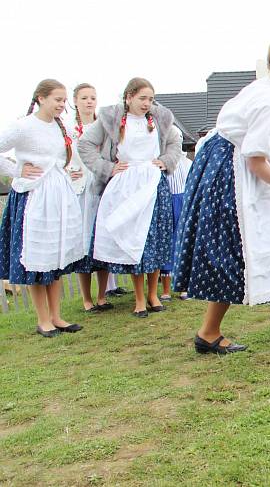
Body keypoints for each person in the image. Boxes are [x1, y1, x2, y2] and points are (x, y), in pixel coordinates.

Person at [172, 33, 270, 355]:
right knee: (247, 250)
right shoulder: (265, 100)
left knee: (251, 251)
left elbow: (254, 146)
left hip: (235, 167)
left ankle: (215, 333)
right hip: (231, 177)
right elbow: (255, 160)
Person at [79, 77, 180, 318]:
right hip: (126, 184)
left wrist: (166, 161)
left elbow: (176, 142)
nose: (147, 103)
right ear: (129, 97)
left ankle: (153, 293)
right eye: (142, 98)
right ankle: (138, 299)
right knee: (136, 237)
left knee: (156, 238)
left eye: (151, 99)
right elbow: (85, 145)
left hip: (154, 182)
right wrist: (106, 167)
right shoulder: (110, 118)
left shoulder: (160, 118)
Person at [0, 79, 85, 337]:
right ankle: (43, 319)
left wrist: (68, 172)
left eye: (63, 100)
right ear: (41, 98)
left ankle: (57, 316)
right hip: (33, 197)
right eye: (57, 99)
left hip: (58, 197)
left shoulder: (64, 128)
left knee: (56, 257)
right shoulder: (23, 126)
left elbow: (64, 158)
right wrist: (16, 169)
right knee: (37, 258)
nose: (62, 104)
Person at [63, 83, 114, 313]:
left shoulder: (102, 126)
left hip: (100, 186)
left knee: (101, 238)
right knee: (84, 241)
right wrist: (67, 170)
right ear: (75, 101)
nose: (89, 101)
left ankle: (102, 295)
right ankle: (86, 298)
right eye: (84, 98)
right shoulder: (67, 128)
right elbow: (60, 155)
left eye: (92, 97)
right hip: (79, 189)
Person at [160, 145, 192, 301]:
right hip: (166, 202)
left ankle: (184, 287)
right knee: (166, 243)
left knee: (183, 243)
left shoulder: (187, 163)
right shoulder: (161, 162)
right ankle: (166, 289)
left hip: (183, 201)